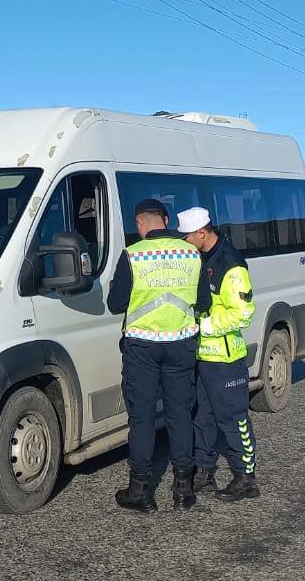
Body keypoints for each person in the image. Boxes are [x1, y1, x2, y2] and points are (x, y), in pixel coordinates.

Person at [105, 198, 202, 512]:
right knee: (180, 415)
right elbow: (202, 300)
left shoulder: (133, 256)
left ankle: (141, 492)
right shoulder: (191, 253)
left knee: (143, 417)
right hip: (181, 343)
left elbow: (116, 304)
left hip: (143, 347)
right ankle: (184, 490)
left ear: (139, 223)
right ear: (166, 219)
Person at [177, 206, 260, 502]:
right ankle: (205, 471)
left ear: (202, 233)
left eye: (187, 236)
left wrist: (202, 324)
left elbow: (243, 315)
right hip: (200, 358)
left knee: (234, 419)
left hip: (225, 360)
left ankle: (246, 477)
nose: (184, 241)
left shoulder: (231, 264)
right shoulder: (198, 258)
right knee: (202, 418)